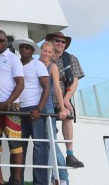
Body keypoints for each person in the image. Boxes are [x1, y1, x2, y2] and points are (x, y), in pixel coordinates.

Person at [44, 32, 84, 169]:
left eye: (63, 42)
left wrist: (66, 99)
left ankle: (70, 154)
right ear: (50, 41)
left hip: (63, 96)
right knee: (48, 123)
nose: (61, 44)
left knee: (67, 116)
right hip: (47, 97)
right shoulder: (44, 58)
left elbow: (75, 82)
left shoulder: (71, 59)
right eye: (57, 41)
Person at [0, 30, 24, 185]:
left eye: (1, 41)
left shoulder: (13, 58)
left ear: (7, 41)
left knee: (15, 145)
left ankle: (16, 180)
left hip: (10, 108)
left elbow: (20, 84)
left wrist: (8, 103)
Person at [14, 38, 49, 185]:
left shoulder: (38, 64)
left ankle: (40, 182)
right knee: (19, 148)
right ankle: (17, 180)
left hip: (34, 109)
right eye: (22, 47)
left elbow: (47, 88)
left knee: (39, 147)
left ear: (32, 50)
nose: (24, 50)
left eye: (27, 48)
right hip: (18, 110)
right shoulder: (16, 64)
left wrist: (39, 108)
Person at [38, 41, 69, 185]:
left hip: (48, 108)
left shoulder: (52, 67)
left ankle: (63, 178)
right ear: (40, 51)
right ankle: (49, 176)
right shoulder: (34, 64)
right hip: (35, 107)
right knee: (41, 144)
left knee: (52, 143)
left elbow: (57, 88)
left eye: (49, 52)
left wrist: (62, 108)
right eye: (45, 51)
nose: (46, 54)